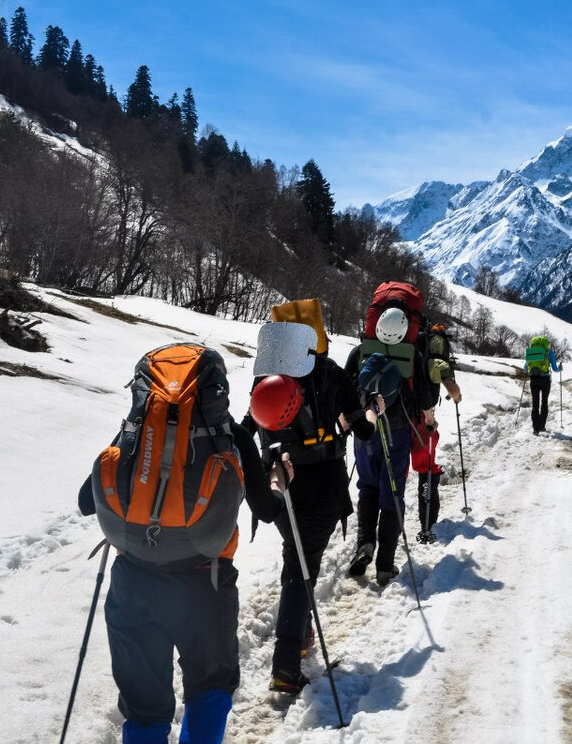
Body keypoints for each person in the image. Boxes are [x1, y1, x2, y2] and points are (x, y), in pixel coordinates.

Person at [77, 350, 278, 744]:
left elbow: (87, 502)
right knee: (209, 687)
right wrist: (276, 479)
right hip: (206, 582)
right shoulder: (231, 438)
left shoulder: (132, 435)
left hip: (133, 583)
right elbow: (267, 511)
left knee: (144, 705)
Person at [247, 305, 379, 694]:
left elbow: (254, 424)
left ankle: (300, 640)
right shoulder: (330, 374)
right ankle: (286, 666)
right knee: (300, 572)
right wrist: (372, 411)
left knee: (297, 559)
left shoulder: (267, 378)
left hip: (284, 483)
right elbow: (365, 432)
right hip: (324, 485)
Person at [345, 304, 438, 585]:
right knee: (393, 491)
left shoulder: (360, 351)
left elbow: (346, 388)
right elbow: (426, 399)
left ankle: (365, 544)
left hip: (365, 431)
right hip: (396, 430)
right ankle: (385, 564)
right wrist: (430, 420)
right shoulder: (412, 355)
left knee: (367, 487)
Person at [412, 322, 462, 543]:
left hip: (396, 411)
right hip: (422, 417)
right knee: (426, 467)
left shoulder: (412, 347)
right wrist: (457, 396)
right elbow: (449, 385)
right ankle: (427, 525)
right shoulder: (434, 355)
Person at [523, 334, 561, 434]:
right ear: (546, 343)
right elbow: (555, 368)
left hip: (533, 379)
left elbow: (525, 368)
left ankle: (535, 428)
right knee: (544, 402)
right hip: (545, 379)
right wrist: (560, 368)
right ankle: (542, 426)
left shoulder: (531, 352)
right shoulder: (549, 352)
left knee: (535, 404)